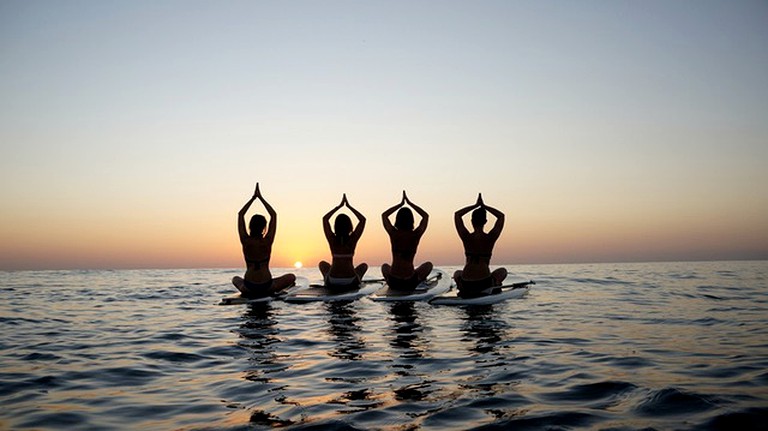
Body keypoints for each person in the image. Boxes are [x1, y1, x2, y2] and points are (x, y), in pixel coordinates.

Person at [232, 183, 296, 296]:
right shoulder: (268, 240)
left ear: (250, 226)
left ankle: (248, 289)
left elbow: (241, 214)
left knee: (235, 278)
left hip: (248, 287)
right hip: (267, 286)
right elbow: (273, 215)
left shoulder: (245, 240)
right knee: (292, 277)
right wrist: (261, 198)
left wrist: (253, 198)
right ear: (264, 227)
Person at [454, 193, 508, 297]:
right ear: (486, 221)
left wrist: (475, 205)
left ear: (471, 221)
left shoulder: (466, 237)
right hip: (484, 283)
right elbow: (501, 216)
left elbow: (457, 215)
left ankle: (462, 287)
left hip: (466, 283)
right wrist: (484, 206)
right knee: (503, 271)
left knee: (457, 273)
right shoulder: (490, 238)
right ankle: (494, 285)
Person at [381, 191, 433, 290]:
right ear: (412, 220)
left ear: (397, 220)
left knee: (384, 266)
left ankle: (388, 281)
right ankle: (418, 280)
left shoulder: (393, 233)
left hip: (394, 281)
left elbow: (384, 215)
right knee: (428, 265)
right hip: (410, 281)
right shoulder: (416, 234)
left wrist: (399, 205)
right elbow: (425, 216)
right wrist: (410, 203)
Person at [319, 194, 368, 288]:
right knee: (363, 266)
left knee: (322, 264)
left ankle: (326, 280)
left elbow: (325, 219)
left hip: (332, 281)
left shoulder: (332, 239)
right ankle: (355, 278)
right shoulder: (352, 239)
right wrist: (349, 206)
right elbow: (362, 220)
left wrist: (339, 206)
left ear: (335, 226)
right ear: (350, 226)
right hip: (351, 280)